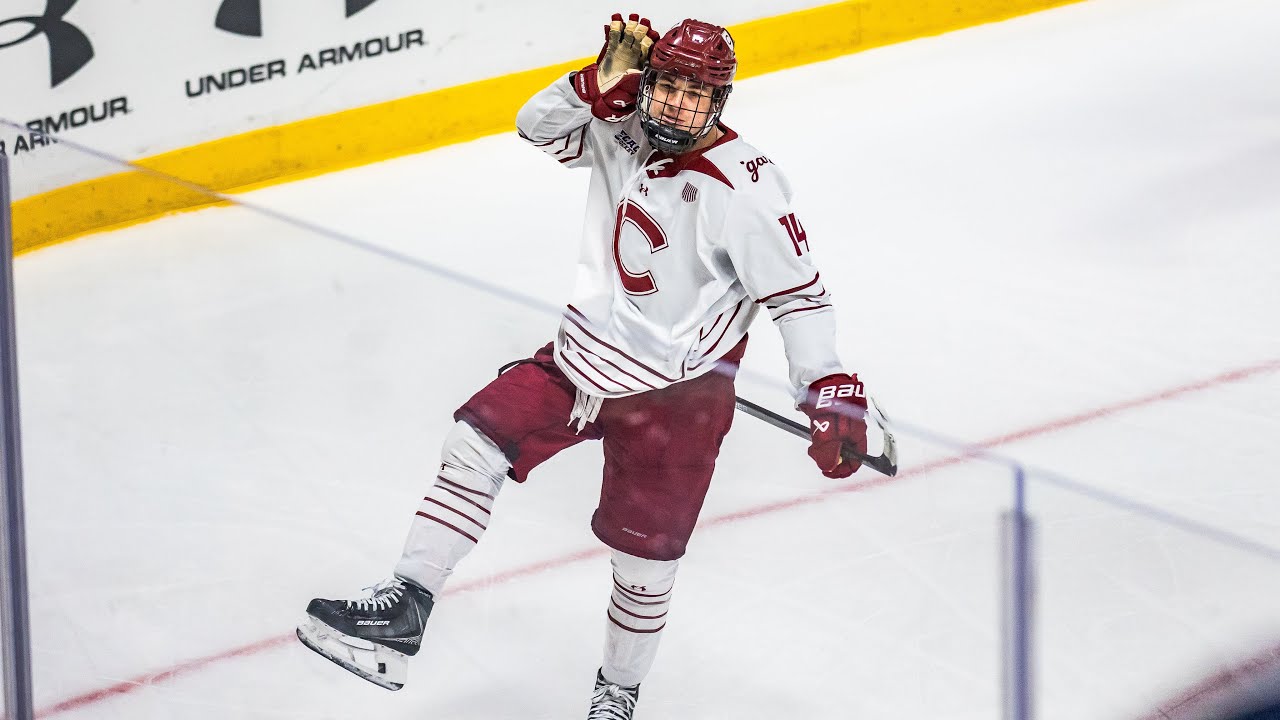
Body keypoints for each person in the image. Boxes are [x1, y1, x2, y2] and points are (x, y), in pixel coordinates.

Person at [297, 14, 871, 719]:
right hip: (579, 361)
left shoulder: (745, 187)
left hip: (677, 400)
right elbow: (534, 126)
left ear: (720, 101)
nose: (677, 107)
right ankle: (405, 611)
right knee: (471, 444)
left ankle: (616, 693)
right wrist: (593, 84)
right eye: (667, 88)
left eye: (697, 95)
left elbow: (800, 297)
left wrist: (827, 385)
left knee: (644, 567)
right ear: (648, 82)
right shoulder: (619, 123)